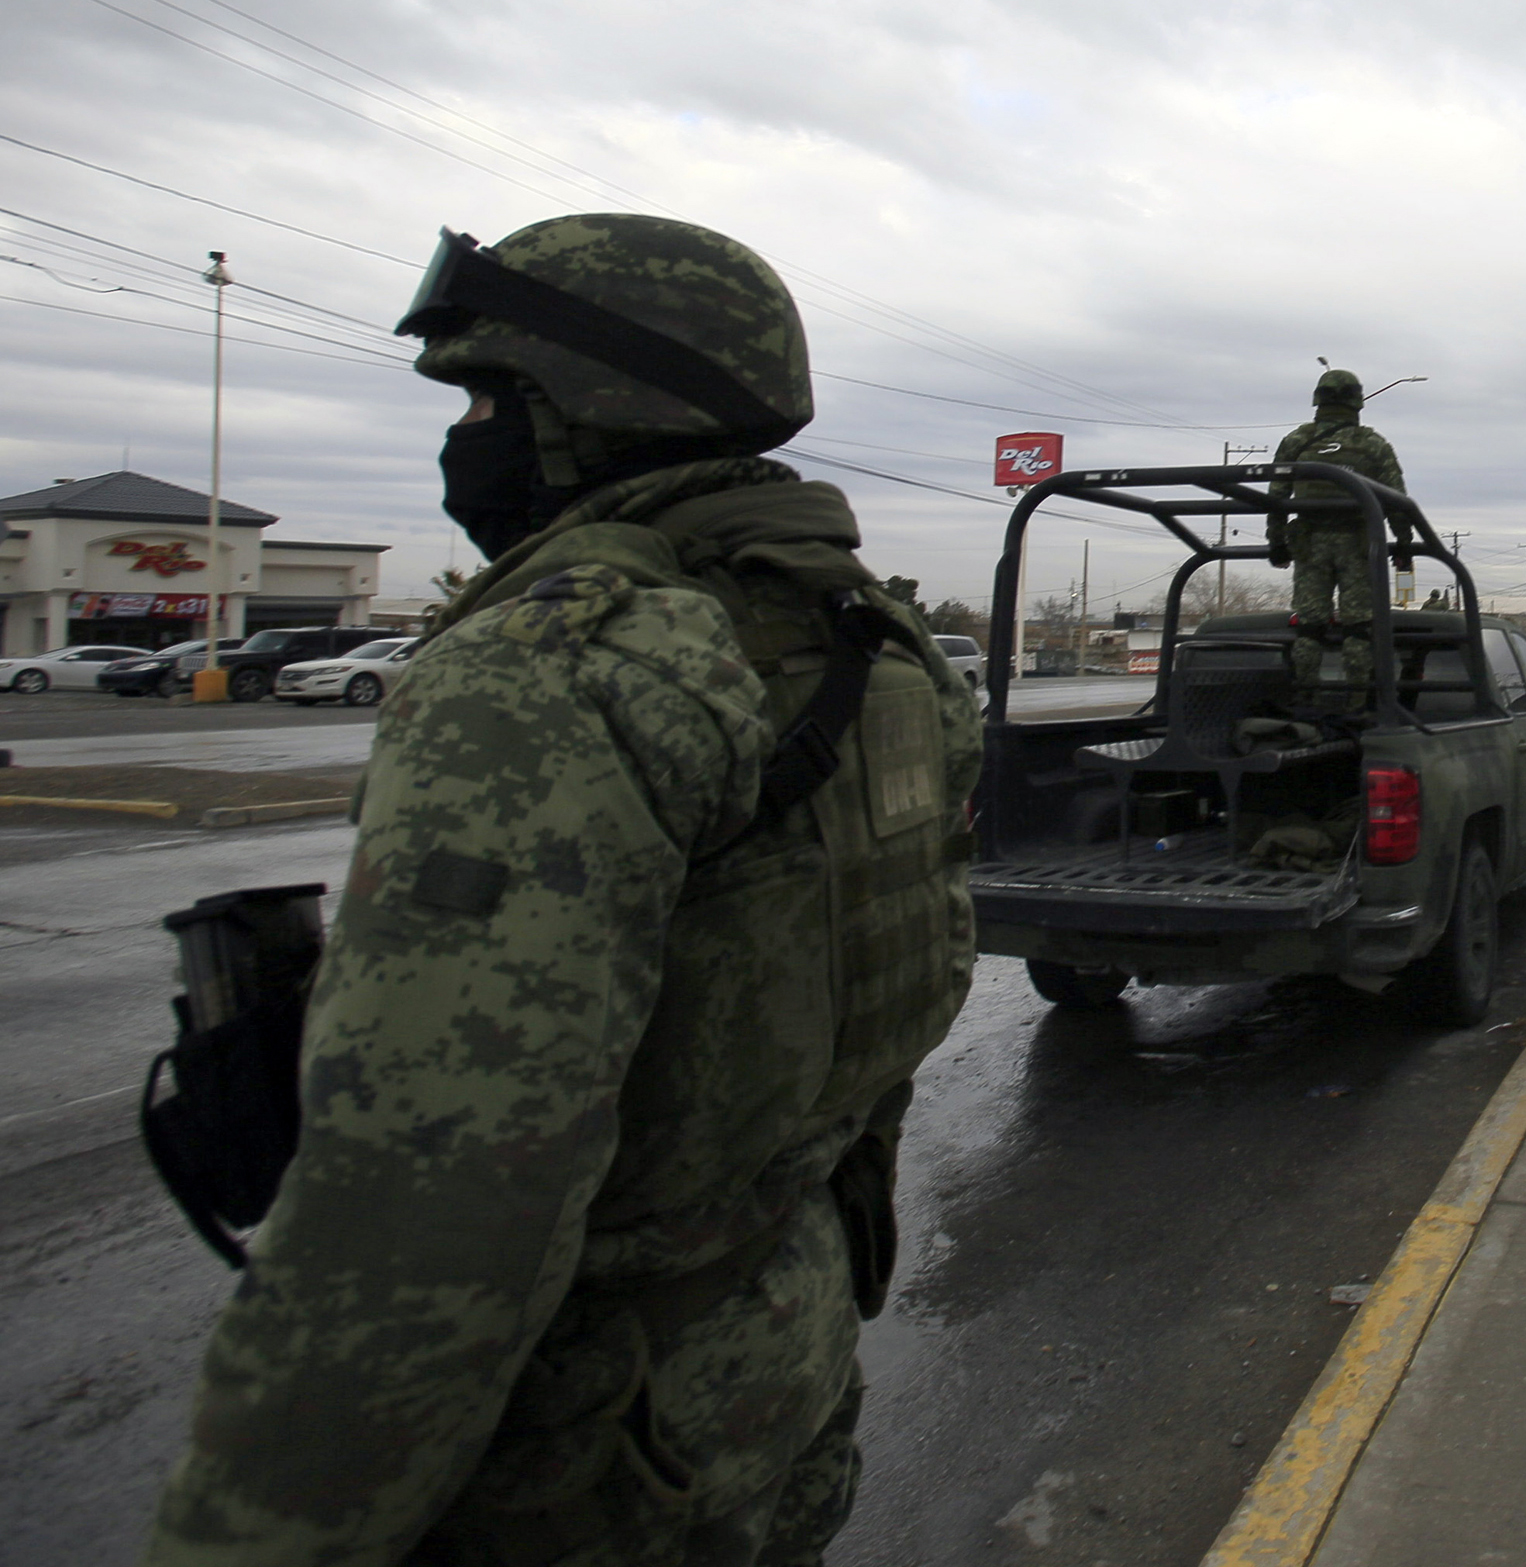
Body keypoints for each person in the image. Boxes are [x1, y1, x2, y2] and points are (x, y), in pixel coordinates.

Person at [144, 214, 980, 1567]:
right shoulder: (878, 650)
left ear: (591, 407)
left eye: (489, 396)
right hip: (782, 1356)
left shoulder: (554, 668)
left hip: (587, 1443)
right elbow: (888, 1005)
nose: (468, 433)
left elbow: (430, 1204)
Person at [1267, 368, 1407, 694]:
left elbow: (1275, 497)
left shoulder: (1297, 441)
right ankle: (1359, 701)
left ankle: (1307, 698)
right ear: (1358, 402)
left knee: (1309, 628)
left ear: (1317, 400)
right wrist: (1403, 542)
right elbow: (1398, 500)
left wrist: (1276, 543)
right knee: (1358, 627)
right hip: (1358, 545)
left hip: (1308, 544)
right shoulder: (1372, 444)